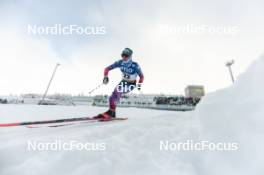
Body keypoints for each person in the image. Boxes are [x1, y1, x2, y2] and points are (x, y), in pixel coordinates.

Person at [95, 48, 144, 119]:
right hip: (123, 82)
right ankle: (112, 112)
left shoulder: (135, 66)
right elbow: (106, 69)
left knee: (118, 91)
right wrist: (106, 77)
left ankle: (111, 112)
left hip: (131, 84)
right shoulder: (120, 62)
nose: (124, 57)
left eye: (126, 56)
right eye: (122, 55)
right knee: (112, 97)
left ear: (130, 57)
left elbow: (142, 77)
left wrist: (139, 85)